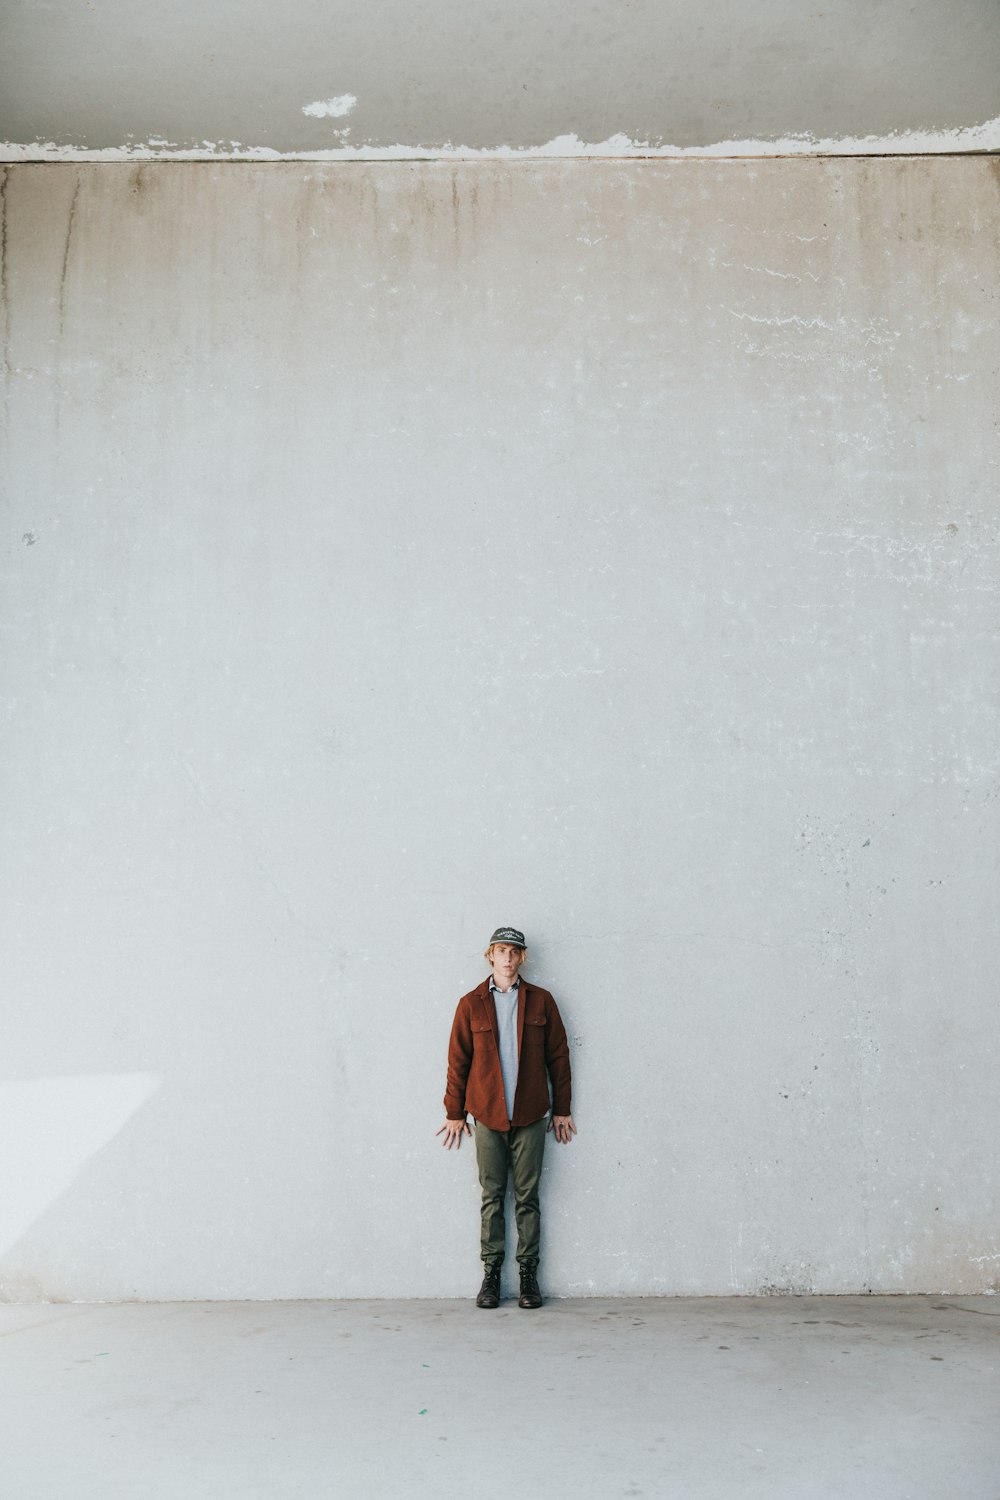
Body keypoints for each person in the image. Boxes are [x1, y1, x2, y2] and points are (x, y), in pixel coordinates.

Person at [437, 926, 576, 1309]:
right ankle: (492, 1274)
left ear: (522, 958)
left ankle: (529, 1276)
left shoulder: (542, 1002)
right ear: (490, 957)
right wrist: (454, 1112)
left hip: (530, 1115)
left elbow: (559, 1058)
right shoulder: (471, 1004)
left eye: (515, 952)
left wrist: (562, 1108)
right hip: (487, 1116)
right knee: (492, 1196)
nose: (508, 958)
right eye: (501, 951)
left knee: (528, 1197)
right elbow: (457, 1061)